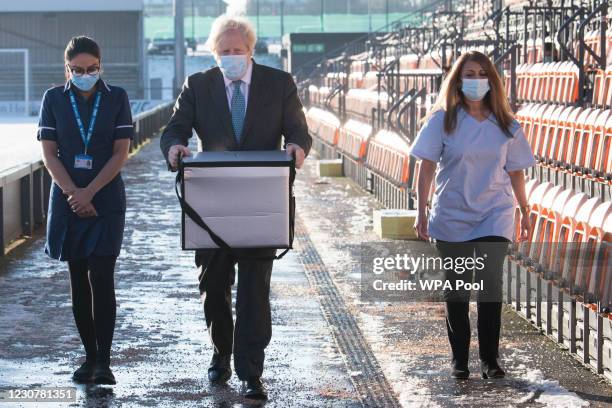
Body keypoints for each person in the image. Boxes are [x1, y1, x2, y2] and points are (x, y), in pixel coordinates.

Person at [160, 15, 311, 400]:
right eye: (224, 51)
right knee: (213, 286)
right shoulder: (198, 84)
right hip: (212, 203)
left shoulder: (279, 84)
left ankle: (250, 370)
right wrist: (175, 148)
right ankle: (220, 352)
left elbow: (298, 130)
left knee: (255, 291)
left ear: (250, 50)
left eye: (237, 50)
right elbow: (175, 128)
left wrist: (297, 147)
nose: (231, 56)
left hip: (263, 201)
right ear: (215, 53)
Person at [409, 50, 536, 380]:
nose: (476, 80)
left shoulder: (506, 124)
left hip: (495, 213)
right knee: (458, 289)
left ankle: (491, 360)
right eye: (469, 74)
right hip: (452, 215)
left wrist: (525, 210)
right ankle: (460, 359)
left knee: (490, 286)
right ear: (458, 80)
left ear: (492, 81)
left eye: (482, 74)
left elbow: (517, 171)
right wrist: (421, 209)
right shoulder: (442, 120)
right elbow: (425, 168)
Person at [37, 36, 134, 385]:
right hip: (67, 198)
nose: (85, 75)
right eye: (77, 70)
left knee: (102, 276)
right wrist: (73, 194)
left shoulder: (117, 97)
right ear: (67, 69)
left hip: (105, 198)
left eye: (91, 69)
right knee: (78, 278)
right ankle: (89, 356)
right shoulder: (53, 99)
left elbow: (120, 152)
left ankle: (105, 361)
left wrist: (89, 191)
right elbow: (50, 154)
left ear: (100, 66)